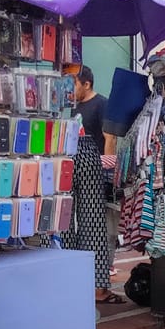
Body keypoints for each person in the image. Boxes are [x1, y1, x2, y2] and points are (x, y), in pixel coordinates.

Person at [63, 66, 121, 304]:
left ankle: (98, 286)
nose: (70, 90)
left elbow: (110, 138)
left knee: (93, 225)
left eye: (73, 84)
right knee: (65, 222)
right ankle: (69, 277)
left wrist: (106, 171)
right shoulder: (69, 106)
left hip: (93, 169)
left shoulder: (101, 104)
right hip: (69, 167)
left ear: (86, 84)